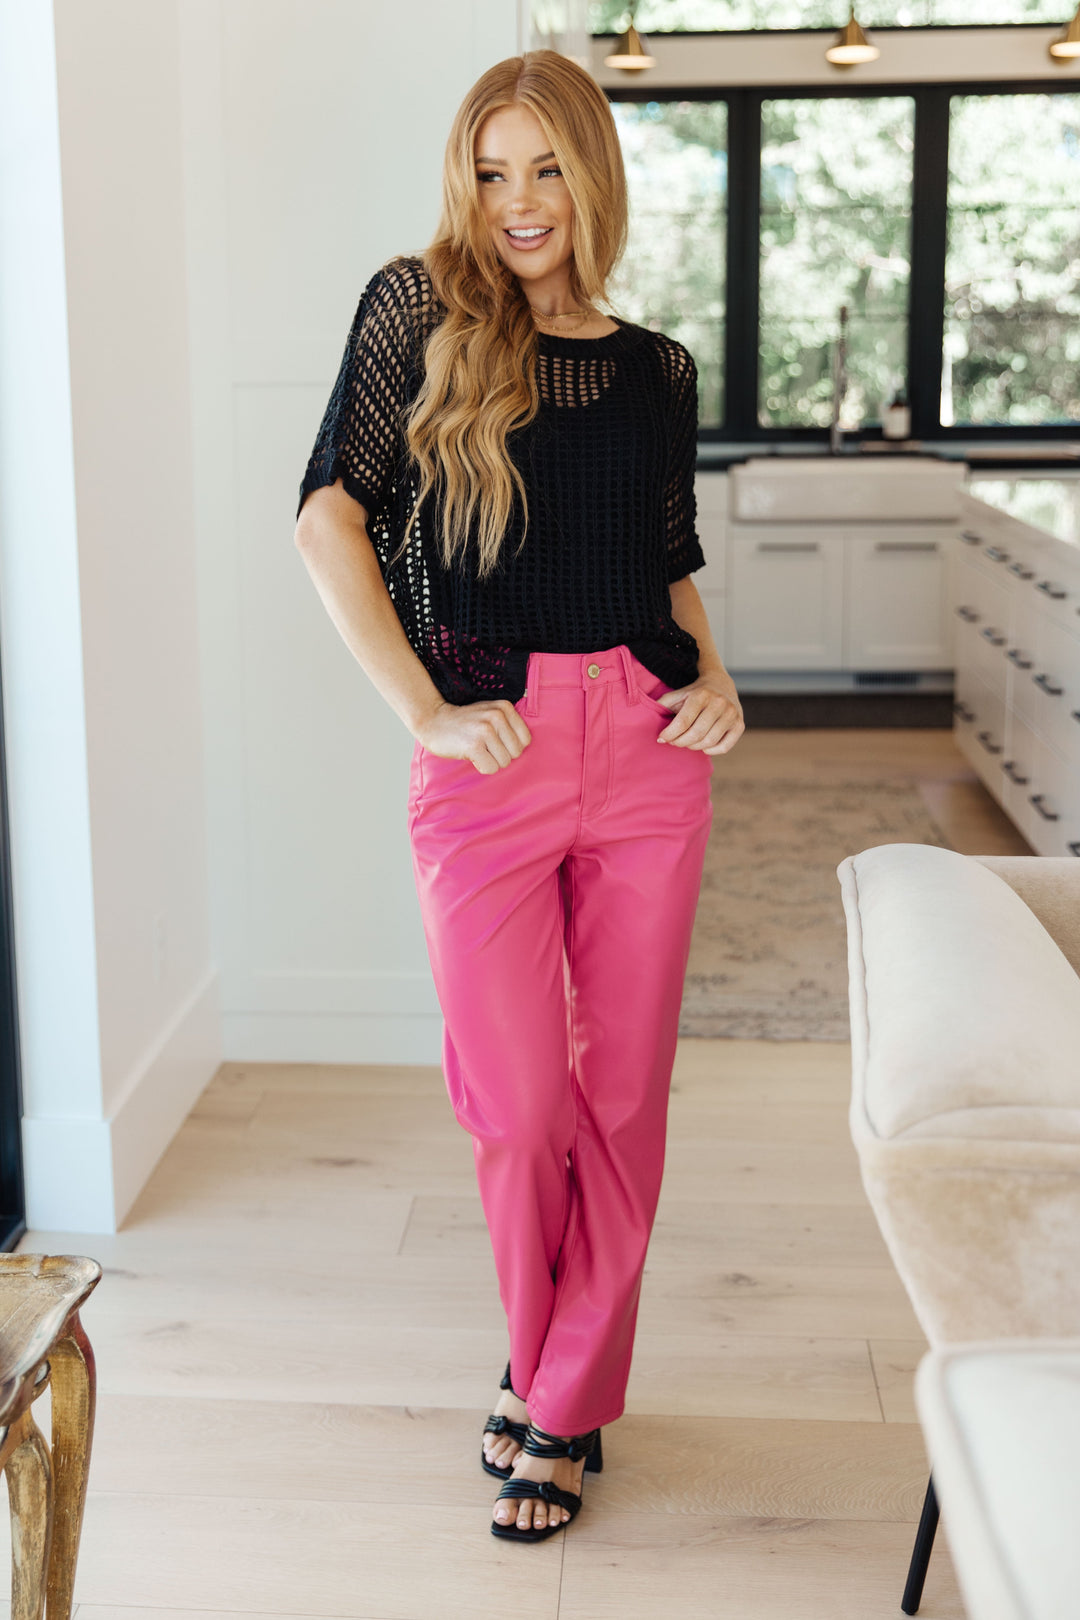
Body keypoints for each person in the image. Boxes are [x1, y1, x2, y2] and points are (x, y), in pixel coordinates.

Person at [293, 48, 745, 1544]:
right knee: (518, 1102)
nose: (519, 201)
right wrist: (423, 711)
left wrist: (716, 676)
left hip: (648, 748)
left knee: (622, 1098)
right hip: (489, 754)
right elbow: (327, 519)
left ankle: (557, 1402)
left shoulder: (656, 368)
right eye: (491, 172)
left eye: (546, 167)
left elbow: (665, 564)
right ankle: (555, 1370)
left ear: (592, 174)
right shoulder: (417, 311)